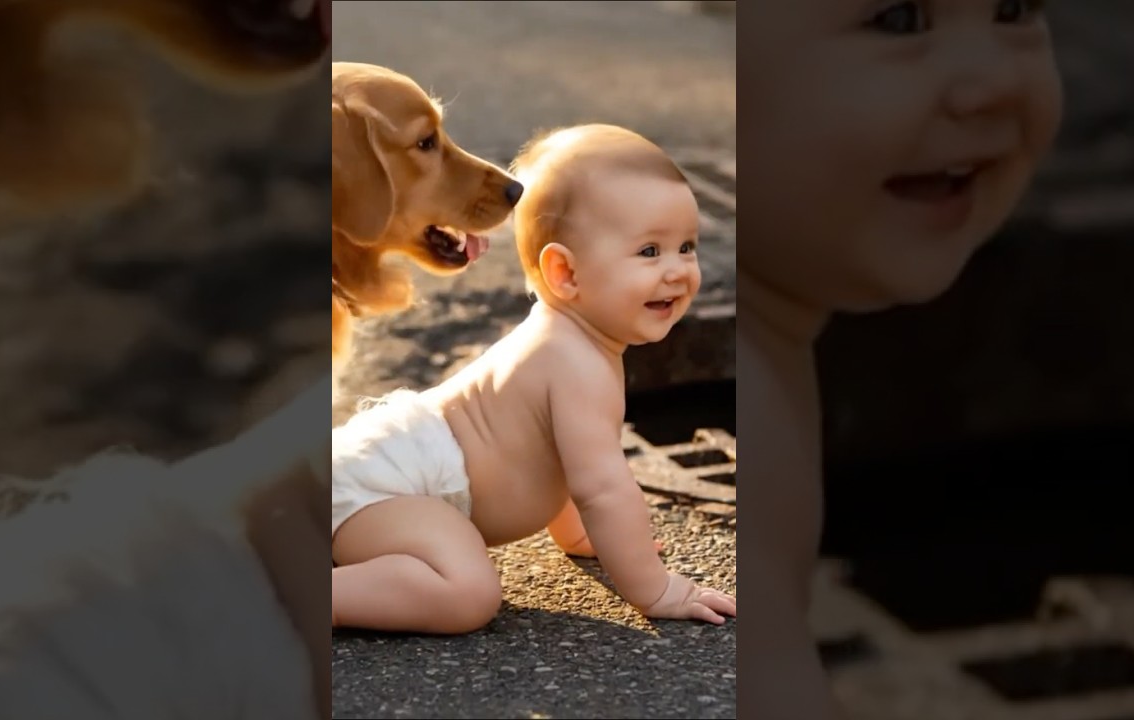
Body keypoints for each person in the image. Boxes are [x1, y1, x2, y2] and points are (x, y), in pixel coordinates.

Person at [736, 1, 1064, 718]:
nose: (991, 86)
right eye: (900, 22)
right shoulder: (745, 416)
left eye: (1017, 9)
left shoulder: (759, 340)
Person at [330, 123, 738, 633]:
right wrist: (656, 587)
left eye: (688, 246)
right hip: (382, 494)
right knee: (467, 594)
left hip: (393, 477)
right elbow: (602, 487)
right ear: (565, 274)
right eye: (650, 252)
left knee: (462, 571)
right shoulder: (574, 361)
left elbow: (564, 458)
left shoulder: (570, 342)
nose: (678, 270)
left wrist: (581, 537)